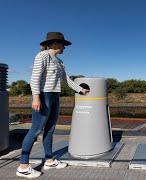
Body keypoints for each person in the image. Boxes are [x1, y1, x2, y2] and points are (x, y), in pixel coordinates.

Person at [16, 32, 90, 178]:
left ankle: (49, 160)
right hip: (44, 96)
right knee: (36, 130)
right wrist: (36, 98)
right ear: (56, 43)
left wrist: (81, 90)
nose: (65, 48)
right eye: (63, 44)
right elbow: (35, 78)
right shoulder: (42, 56)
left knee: (50, 130)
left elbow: (66, 79)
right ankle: (23, 166)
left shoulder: (59, 62)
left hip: (55, 96)